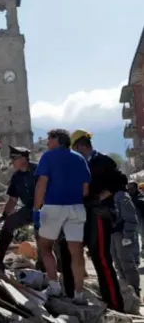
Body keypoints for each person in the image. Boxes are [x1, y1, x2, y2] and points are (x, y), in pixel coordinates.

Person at [70, 129, 125, 311]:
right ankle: (104, 300)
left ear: (80, 145)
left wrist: (100, 197)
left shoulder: (103, 161)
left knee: (101, 258)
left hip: (100, 213)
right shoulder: (78, 164)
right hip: (83, 214)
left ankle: (115, 305)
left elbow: (119, 181)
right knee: (81, 256)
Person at [33, 129, 90, 304]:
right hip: (76, 207)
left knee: (45, 247)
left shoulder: (48, 157)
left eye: (49, 139)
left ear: (57, 140)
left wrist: (36, 208)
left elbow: (42, 183)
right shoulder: (79, 158)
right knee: (77, 252)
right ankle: (79, 295)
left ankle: (54, 286)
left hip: (53, 207)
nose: (47, 143)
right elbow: (85, 190)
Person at [0, 146, 40, 270]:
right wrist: (3, 216)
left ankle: (50, 270)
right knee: (9, 224)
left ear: (24, 158)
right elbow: (13, 200)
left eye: (14, 158)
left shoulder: (39, 170)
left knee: (44, 240)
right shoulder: (16, 176)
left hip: (45, 209)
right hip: (29, 209)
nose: (12, 161)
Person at [111, 185, 140, 297]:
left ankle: (135, 292)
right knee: (118, 264)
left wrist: (127, 236)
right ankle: (126, 291)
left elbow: (131, 218)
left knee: (127, 264)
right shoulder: (108, 196)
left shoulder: (122, 196)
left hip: (122, 234)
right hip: (113, 234)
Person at [127, 181, 144, 258]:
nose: (130, 190)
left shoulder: (140, 197)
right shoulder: (127, 197)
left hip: (141, 219)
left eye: (132, 188)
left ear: (136, 188)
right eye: (129, 188)